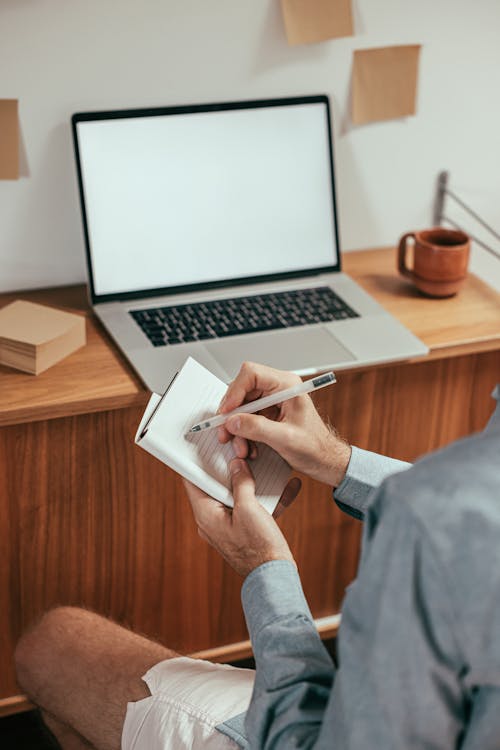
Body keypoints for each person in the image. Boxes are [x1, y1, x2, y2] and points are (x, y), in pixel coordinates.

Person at [14, 362, 500, 750]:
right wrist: (337, 462)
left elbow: (302, 735)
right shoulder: (451, 509)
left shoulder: (434, 524)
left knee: (51, 644)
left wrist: (263, 567)